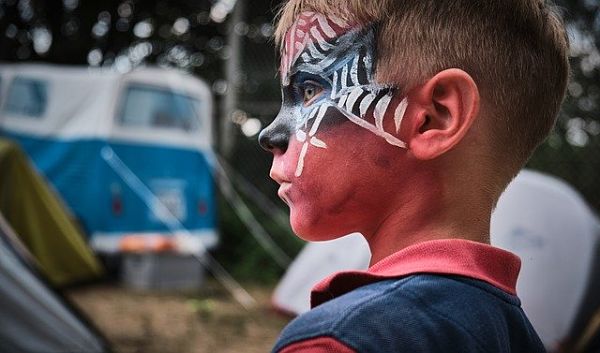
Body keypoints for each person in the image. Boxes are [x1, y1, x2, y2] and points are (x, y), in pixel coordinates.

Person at [258, 0, 569, 352]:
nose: (270, 135)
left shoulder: (340, 339)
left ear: (433, 119)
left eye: (310, 90)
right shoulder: (519, 337)